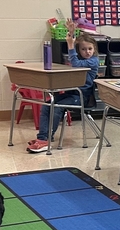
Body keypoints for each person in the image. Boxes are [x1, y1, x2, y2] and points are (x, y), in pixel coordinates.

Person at [28, 21, 99, 153]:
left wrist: (70, 45)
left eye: (90, 49)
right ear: (79, 50)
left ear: (94, 49)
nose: (87, 52)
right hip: (71, 94)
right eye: (83, 49)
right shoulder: (80, 58)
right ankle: (43, 137)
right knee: (46, 105)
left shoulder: (93, 61)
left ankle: (46, 139)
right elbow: (75, 60)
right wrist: (71, 34)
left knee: (57, 107)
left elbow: (76, 64)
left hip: (81, 97)